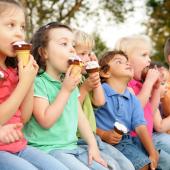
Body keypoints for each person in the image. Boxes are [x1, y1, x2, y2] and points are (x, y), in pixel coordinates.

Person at [23, 22, 108, 170]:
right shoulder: (38, 82)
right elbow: (45, 120)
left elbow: (80, 116)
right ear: (44, 53)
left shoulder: (68, 80)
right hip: (49, 150)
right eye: (64, 43)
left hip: (72, 147)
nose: (71, 49)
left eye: (72, 44)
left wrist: (92, 145)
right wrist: (66, 90)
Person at [0, 0, 69, 170]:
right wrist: (24, 83)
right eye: (11, 25)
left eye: (22, 27)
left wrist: (28, 81)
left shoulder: (12, 71)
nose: (19, 34)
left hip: (19, 146)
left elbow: (24, 117)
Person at [74, 29, 135, 170]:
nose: (88, 58)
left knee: (127, 166)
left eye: (89, 53)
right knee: (112, 166)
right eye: (82, 54)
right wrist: (83, 89)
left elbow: (100, 101)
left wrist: (94, 74)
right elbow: (72, 108)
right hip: (79, 138)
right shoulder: (69, 80)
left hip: (93, 137)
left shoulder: (84, 78)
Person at [95, 50, 159, 170]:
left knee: (161, 159)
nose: (127, 64)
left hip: (129, 140)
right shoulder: (100, 91)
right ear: (105, 72)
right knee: (143, 165)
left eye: (127, 62)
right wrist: (103, 134)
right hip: (105, 142)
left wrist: (152, 152)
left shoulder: (132, 98)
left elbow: (140, 126)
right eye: (119, 62)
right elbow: (87, 119)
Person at [115, 35, 170, 170]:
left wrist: (156, 89)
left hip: (148, 137)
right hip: (135, 140)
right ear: (127, 60)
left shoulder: (140, 84)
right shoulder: (126, 85)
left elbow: (149, 111)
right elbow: (136, 108)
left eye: (149, 55)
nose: (149, 60)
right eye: (144, 55)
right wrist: (149, 83)